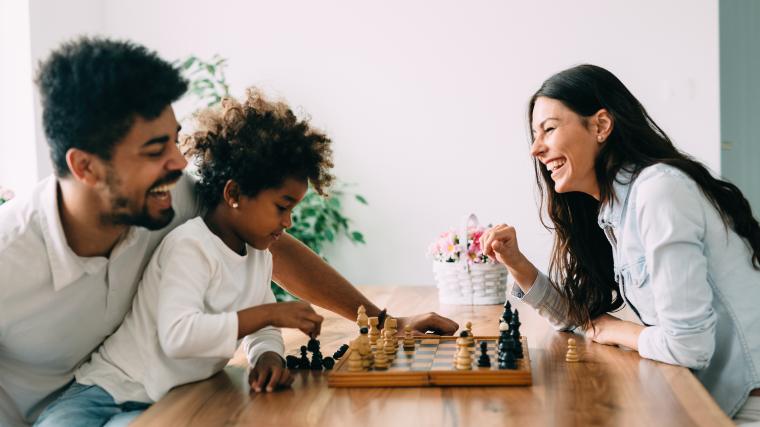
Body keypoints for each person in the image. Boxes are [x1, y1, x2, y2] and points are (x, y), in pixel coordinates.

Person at [0, 37, 458, 427]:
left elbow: (271, 253)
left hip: (148, 397)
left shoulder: (170, 196)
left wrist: (384, 323)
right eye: (156, 149)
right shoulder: (9, 253)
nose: (179, 163)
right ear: (85, 166)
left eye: (175, 140)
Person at [33, 88, 331, 426]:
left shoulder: (258, 256)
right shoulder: (191, 246)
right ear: (233, 193)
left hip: (166, 400)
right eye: (282, 207)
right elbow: (179, 335)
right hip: (105, 395)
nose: (288, 222)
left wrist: (268, 356)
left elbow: (261, 329)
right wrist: (271, 313)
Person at [480, 64, 760, 422]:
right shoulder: (614, 210)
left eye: (549, 129)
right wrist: (517, 264)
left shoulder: (659, 191)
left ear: (600, 125)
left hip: (743, 409)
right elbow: (584, 318)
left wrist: (619, 330)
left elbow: (688, 346)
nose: (536, 148)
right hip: (701, 401)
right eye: (535, 134)